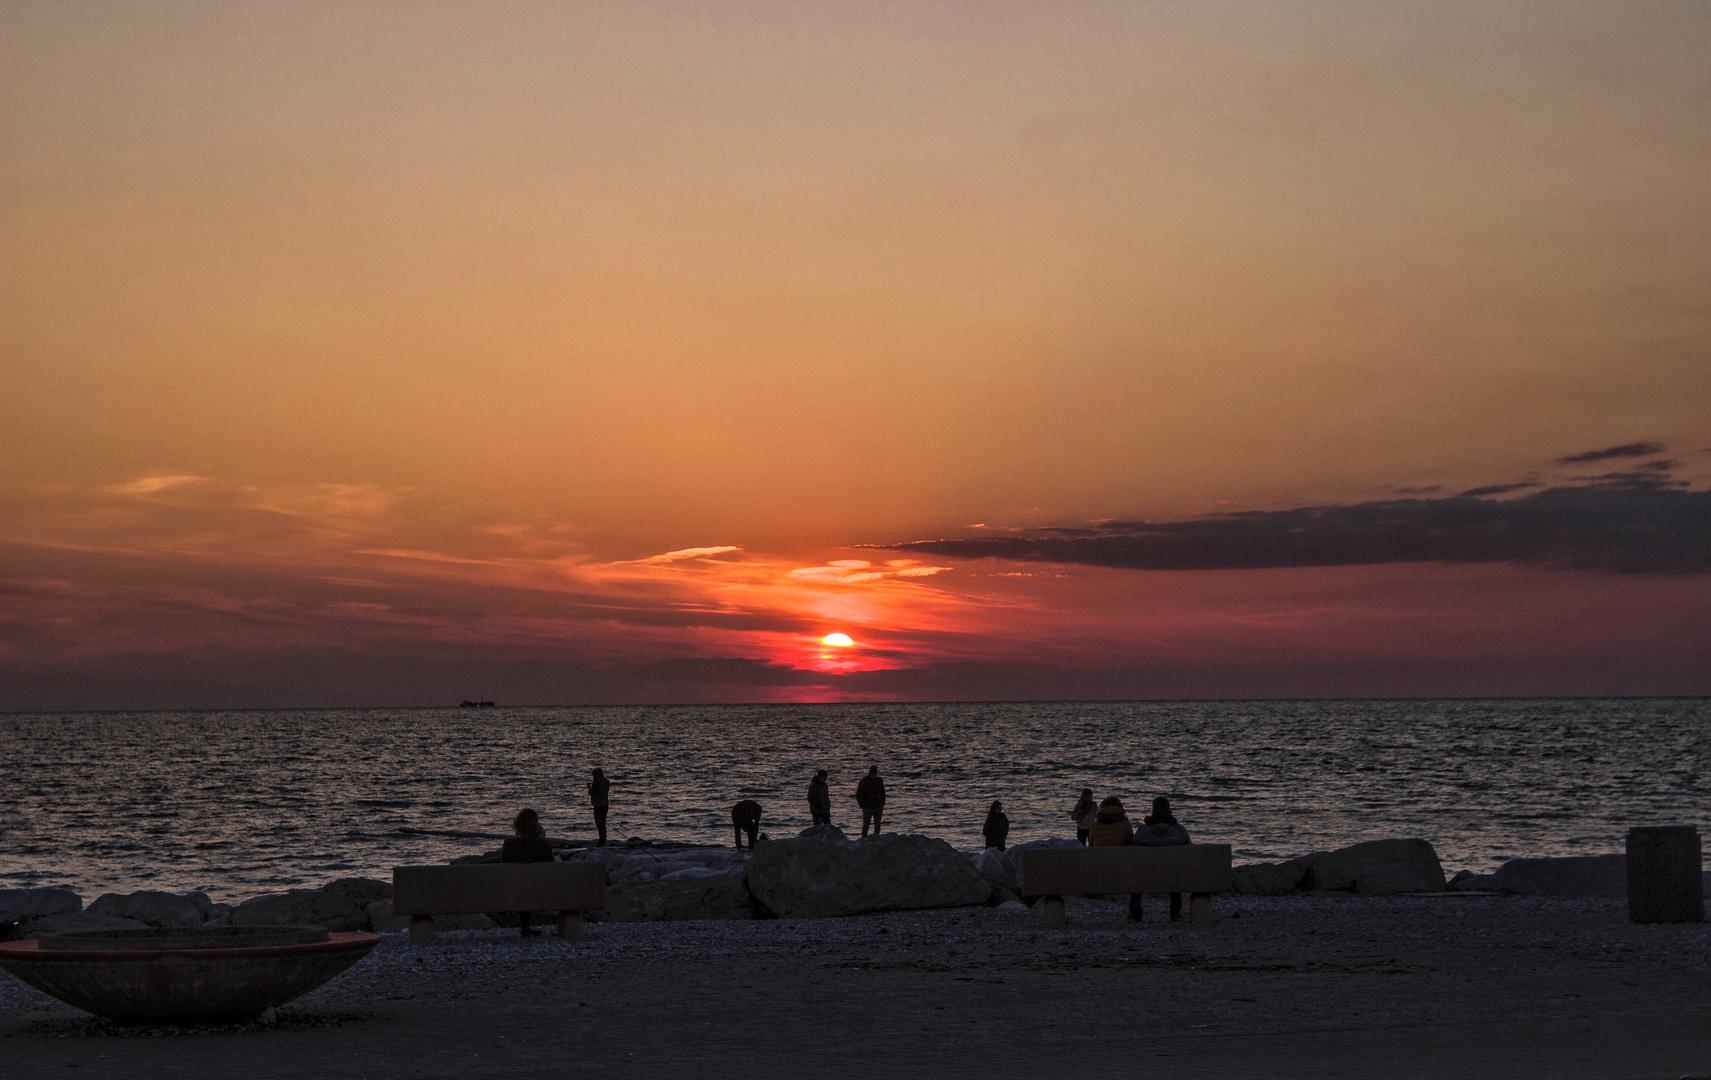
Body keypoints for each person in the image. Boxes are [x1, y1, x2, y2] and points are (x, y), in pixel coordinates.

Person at [1133, 795, 1192, 921]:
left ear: (1153, 811)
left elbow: (1133, 848)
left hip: (1145, 876)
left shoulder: (1143, 831)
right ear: (1169, 810)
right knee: (1174, 871)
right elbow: (1189, 847)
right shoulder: (1179, 830)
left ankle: (1135, 912)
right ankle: (1175, 913)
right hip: (1174, 875)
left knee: (1137, 875)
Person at [501, 808, 554, 936]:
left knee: (523, 883)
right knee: (529, 883)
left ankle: (524, 926)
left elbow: (504, 865)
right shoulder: (543, 845)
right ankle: (526, 927)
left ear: (517, 825)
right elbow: (551, 867)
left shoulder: (509, 844)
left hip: (514, 889)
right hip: (540, 890)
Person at [853, 765, 886, 837]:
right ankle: (864, 839)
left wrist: (882, 803)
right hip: (867, 807)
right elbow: (858, 795)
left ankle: (876, 838)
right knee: (866, 824)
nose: (873, 776)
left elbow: (883, 792)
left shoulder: (879, 781)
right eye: (872, 774)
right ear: (869, 773)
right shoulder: (864, 781)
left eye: (875, 774)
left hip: (878, 806)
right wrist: (863, 806)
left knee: (877, 824)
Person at [587, 767, 611, 847]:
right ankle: (603, 840)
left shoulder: (596, 782)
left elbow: (591, 793)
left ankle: (601, 841)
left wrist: (589, 787)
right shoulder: (607, 782)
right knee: (603, 823)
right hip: (605, 805)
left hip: (597, 805)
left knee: (599, 823)